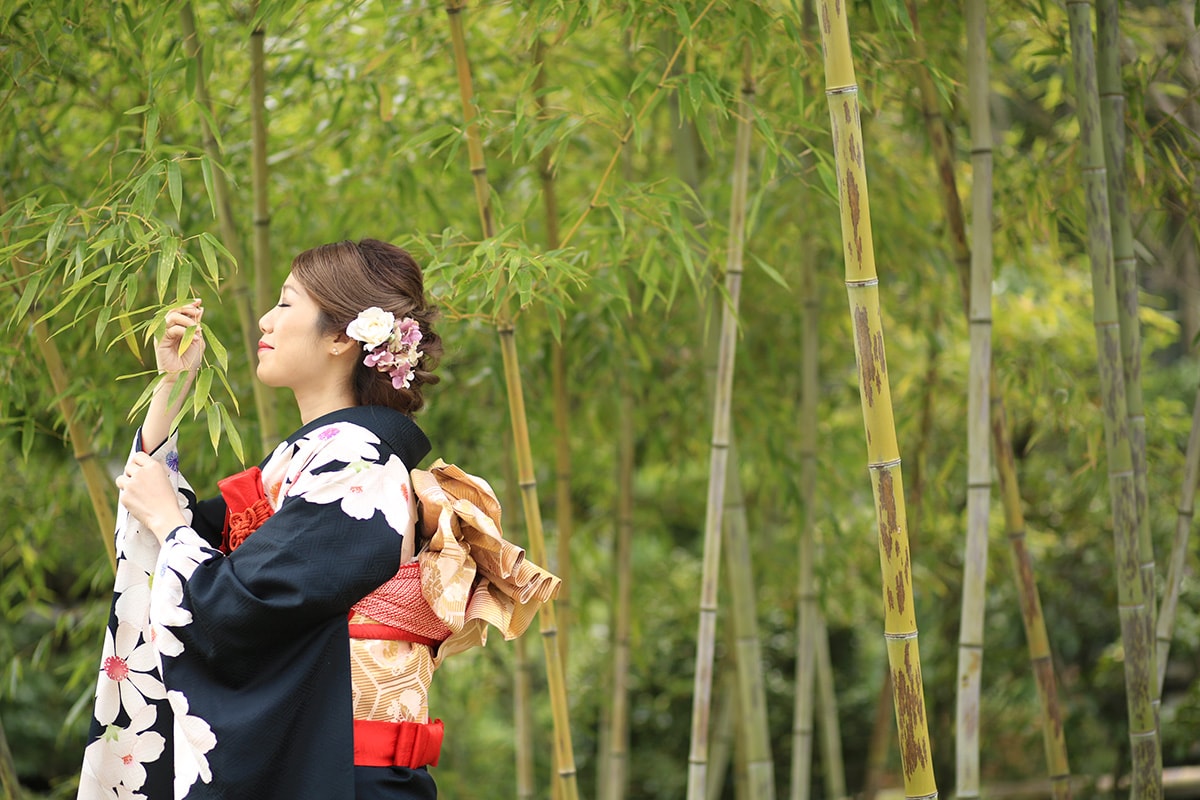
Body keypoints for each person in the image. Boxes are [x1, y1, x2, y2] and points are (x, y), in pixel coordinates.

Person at [77, 239, 558, 800]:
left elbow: (236, 606)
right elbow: (162, 526)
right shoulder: (315, 461)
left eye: (285, 304)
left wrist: (168, 524)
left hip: (343, 774)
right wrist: (172, 389)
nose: (264, 320)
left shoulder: (358, 468)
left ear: (339, 337)